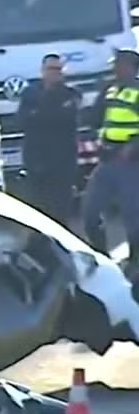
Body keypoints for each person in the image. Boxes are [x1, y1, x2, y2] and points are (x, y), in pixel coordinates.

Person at [80, 49, 139, 264]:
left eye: (119, 64)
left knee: (134, 218)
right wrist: (99, 95)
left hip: (130, 163)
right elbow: (94, 119)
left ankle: (135, 264)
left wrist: (133, 146)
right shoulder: (111, 90)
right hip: (106, 160)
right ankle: (102, 256)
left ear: (131, 68)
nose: (114, 68)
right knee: (90, 214)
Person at [16, 53, 81, 227]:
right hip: (37, 159)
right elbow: (23, 120)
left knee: (61, 208)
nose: (55, 73)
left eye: (58, 69)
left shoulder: (71, 94)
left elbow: (66, 118)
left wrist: (39, 114)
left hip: (63, 161)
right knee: (37, 208)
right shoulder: (30, 93)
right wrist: (45, 113)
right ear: (42, 71)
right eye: (51, 69)